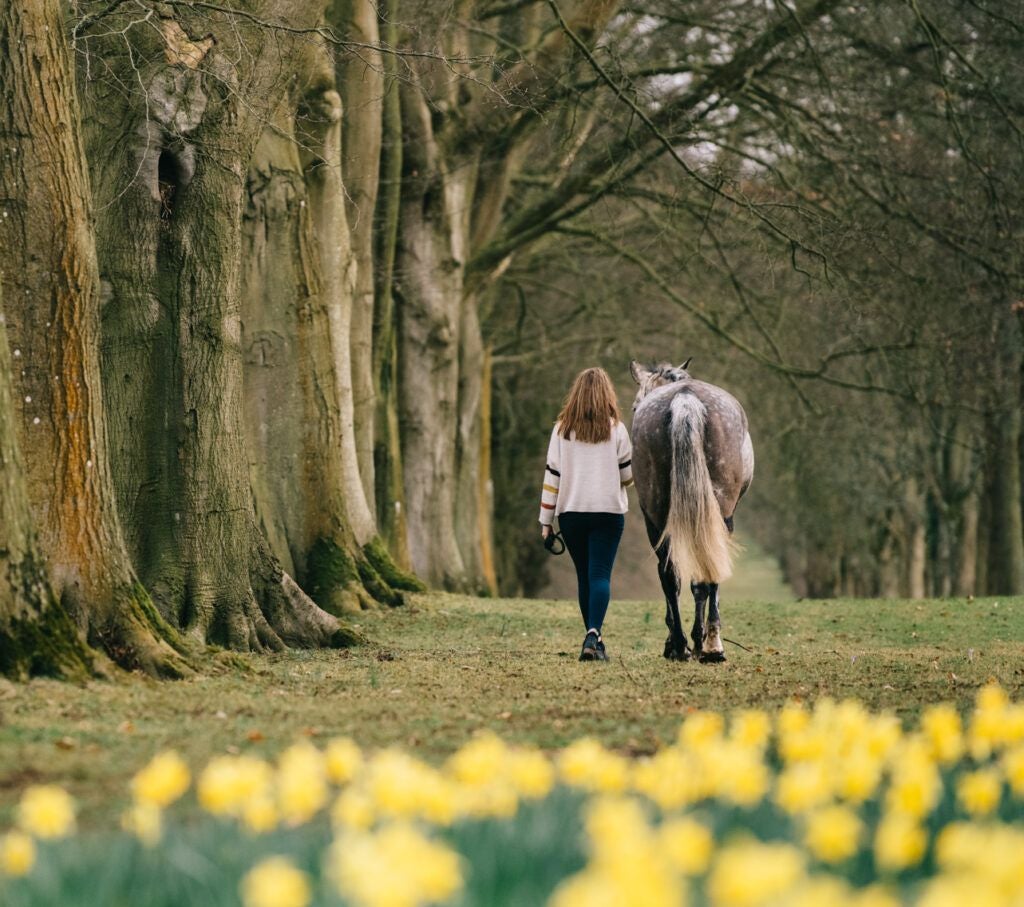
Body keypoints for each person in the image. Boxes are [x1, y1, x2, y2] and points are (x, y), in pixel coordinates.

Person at [539, 367, 633, 661]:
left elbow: (552, 476)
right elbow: (628, 477)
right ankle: (593, 635)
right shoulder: (617, 429)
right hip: (607, 512)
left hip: (571, 513)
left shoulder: (561, 430)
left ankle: (593, 639)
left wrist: (546, 522)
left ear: (576, 394)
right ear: (608, 394)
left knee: (584, 577)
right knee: (600, 575)